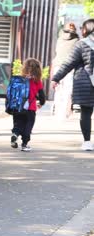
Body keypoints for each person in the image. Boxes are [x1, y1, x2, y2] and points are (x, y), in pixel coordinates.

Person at [52, 19, 94, 151]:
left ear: (85, 30)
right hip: (87, 83)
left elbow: (69, 63)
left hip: (86, 83)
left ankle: (87, 142)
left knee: (86, 113)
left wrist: (56, 78)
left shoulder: (82, 44)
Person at [11, 58, 46, 152]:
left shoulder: (19, 79)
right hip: (30, 108)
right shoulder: (37, 81)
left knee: (18, 124)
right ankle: (24, 144)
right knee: (28, 126)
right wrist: (41, 103)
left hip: (18, 107)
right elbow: (42, 96)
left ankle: (15, 134)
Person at [51, 22, 79, 120]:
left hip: (57, 66)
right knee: (68, 91)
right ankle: (65, 112)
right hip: (69, 68)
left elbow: (57, 53)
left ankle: (56, 110)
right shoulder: (76, 40)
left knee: (58, 90)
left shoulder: (59, 40)